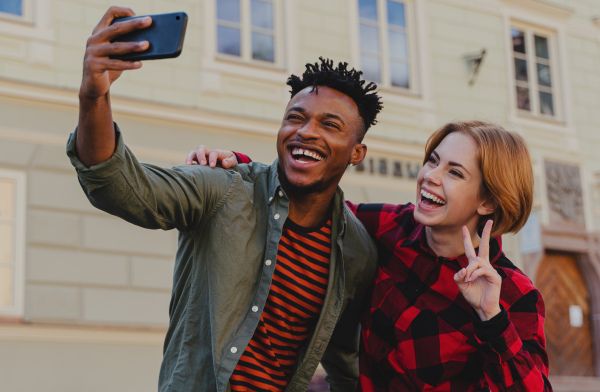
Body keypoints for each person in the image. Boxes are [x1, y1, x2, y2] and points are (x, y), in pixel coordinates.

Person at [68, 6, 384, 392]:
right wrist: (92, 94)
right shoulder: (223, 188)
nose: (306, 132)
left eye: (329, 125)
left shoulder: (356, 251)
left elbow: (346, 367)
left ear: (356, 153)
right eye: (295, 118)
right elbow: (116, 185)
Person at [188, 120, 551, 391]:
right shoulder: (389, 226)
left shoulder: (513, 294)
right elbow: (313, 207)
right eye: (433, 161)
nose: (430, 176)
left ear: (488, 199)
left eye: (454, 172)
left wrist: (491, 319)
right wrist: (243, 169)